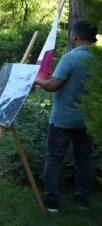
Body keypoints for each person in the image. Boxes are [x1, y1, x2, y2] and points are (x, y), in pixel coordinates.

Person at [34, 20, 97, 212]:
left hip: (63, 120)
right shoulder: (98, 58)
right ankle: (82, 200)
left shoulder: (70, 58)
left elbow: (53, 86)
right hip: (87, 120)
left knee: (54, 158)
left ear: (75, 36)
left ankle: (51, 202)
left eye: (71, 34)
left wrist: (38, 80)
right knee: (84, 160)